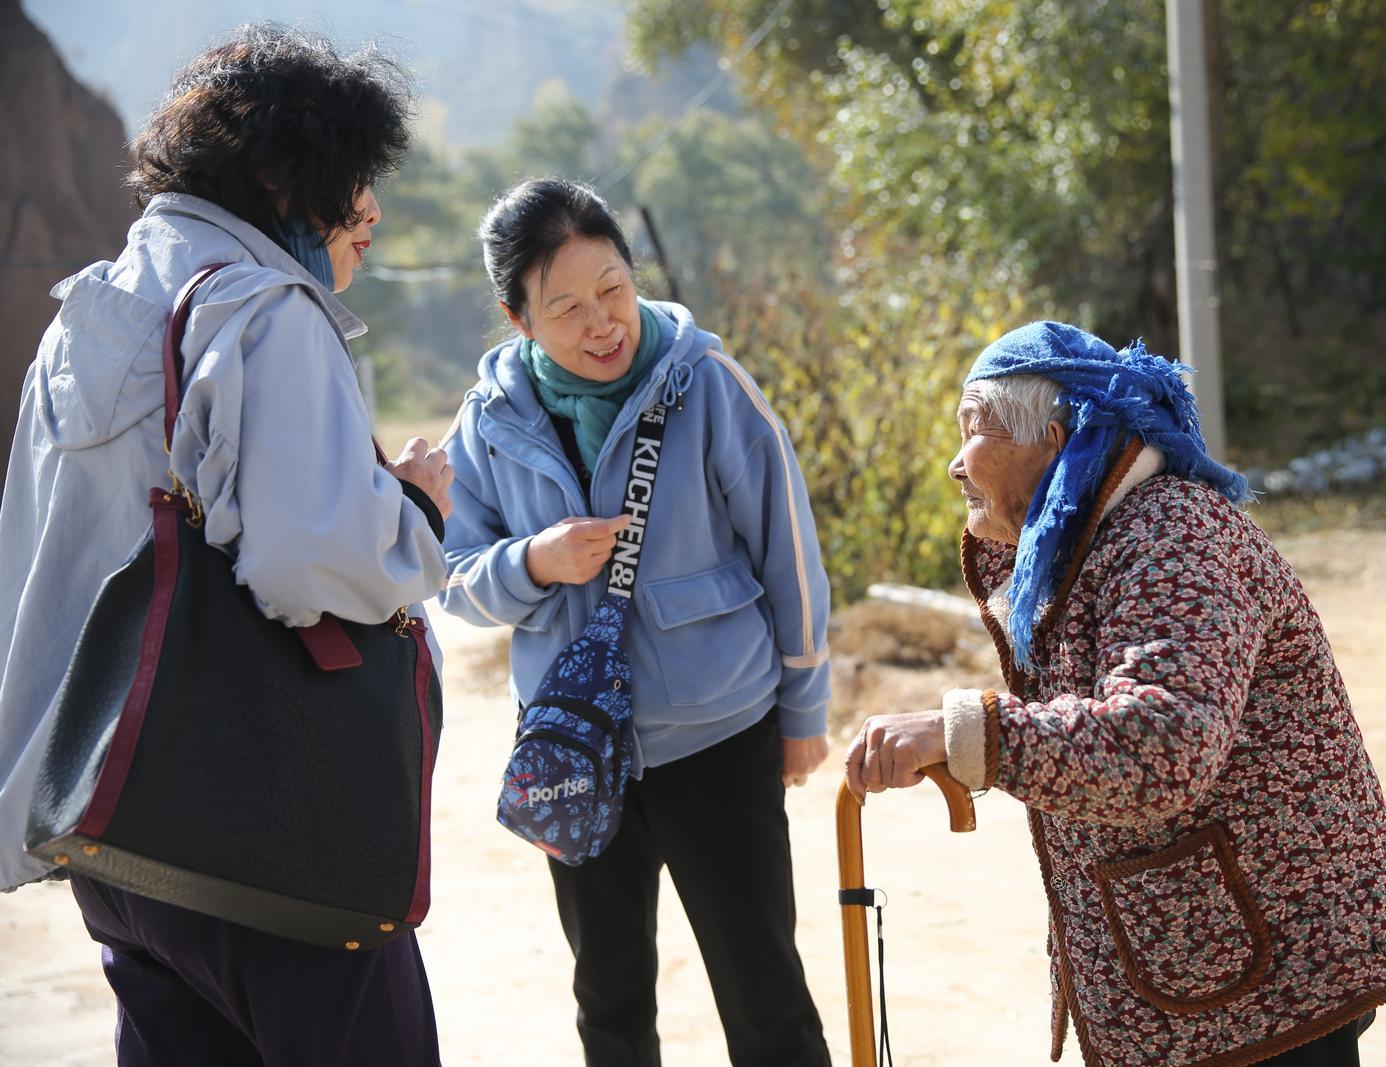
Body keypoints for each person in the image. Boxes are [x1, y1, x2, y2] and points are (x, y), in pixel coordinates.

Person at [0, 25, 452, 1066]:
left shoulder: (85, 316)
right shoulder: (260, 311)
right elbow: (309, 563)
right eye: (352, 180)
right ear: (282, 176)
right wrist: (415, 511)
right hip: (266, 835)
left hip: (117, 823)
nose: (369, 213)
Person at [845, 323, 1386, 1067]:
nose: (954, 463)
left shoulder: (1174, 535)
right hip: (1210, 962)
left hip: (1269, 979)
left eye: (975, 430)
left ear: (1053, 438)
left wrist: (968, 734)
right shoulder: (1090, 543)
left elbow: (1160, 743)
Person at [439, 177, 832, 1067]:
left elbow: (790, 552)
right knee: (609, 1005)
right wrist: (533, 561)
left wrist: (805, 709)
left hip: (719, 736)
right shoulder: (490, 424)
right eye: (568, 306)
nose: (602, 323)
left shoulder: (707, 383)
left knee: (765, 995)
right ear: (518, 318)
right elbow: (454, 582)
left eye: (612, 288)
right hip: (575, 753)